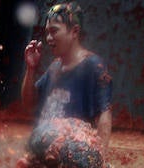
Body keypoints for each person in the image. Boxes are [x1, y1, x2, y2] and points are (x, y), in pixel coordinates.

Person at [21, 2, 113, 152]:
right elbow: (29, 103)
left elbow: (104, 116)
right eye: (47, 32)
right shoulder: (54, 67)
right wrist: (30, 69)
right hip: (46, 151)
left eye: (54, 31)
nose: (49, 38)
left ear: (74, 31)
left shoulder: (93, 66)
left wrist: (99, 159)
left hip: (73, 155)